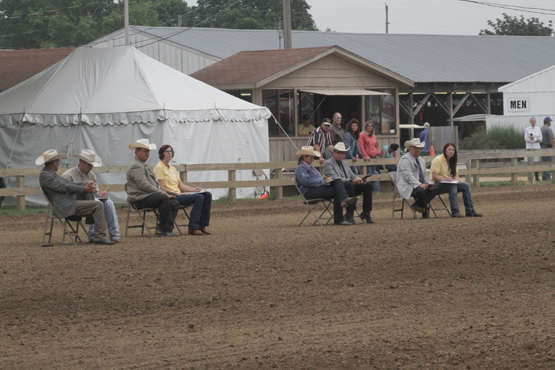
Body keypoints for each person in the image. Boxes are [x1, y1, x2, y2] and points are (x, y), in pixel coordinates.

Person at [37, 149, 115, 245]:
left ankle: (92, 223)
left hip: (67, 202)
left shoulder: (50, 174)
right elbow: (64, 187)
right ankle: (100, 236)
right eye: (58, 162)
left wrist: (84, 186)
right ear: (54, 163)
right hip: (64, 206)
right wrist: (84, 188)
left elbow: (68, 184)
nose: (59, 164)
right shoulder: (46, 175)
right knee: (98, 205)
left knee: (87, 184)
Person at [61, 149, 121, 243]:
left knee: (109, 203)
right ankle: (94, 235)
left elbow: (95, 193)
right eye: (89, 165)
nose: (91, 167)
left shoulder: (92, 175)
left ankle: (115, 235)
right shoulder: (68, 176)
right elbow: (65, 195)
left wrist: (100, 194)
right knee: (96, 203)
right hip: (75, 203)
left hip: (88, 200)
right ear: (81, 162)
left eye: (92, 165)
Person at [154, 144, 212, 236]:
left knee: (207, 195)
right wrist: (176, 193)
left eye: (171, 151)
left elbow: (181, 185)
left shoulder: (172, 168)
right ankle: (193, 227)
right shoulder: (159, 167)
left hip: (179, 194)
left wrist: (195, 190)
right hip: (172, 196)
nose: (169, 153)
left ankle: (202, 225)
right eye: (167, 151)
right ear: (162, 154)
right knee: (199, 198)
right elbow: (160, 186)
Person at [126, 139, 179, 237]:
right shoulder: (135, 166)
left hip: (147, 196)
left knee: (174, 202)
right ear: (137, 151)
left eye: (148, 151)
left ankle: (163, 227)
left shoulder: (145, 165)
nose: (147, 153)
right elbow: (143, 185)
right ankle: (165, 229)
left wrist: (164, 193)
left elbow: (155, 184)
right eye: (145, 151)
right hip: (139, 199)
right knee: (164, 198)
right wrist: (162, 193)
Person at [295, 146, 357, 226]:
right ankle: (343, 203)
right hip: (309, 192)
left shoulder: (310, 167)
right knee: (337, 190)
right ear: (304, 157)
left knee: (337, 182)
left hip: (316, 189)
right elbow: (307, 182)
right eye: (311, 157)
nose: (313, 159)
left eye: (313, 157)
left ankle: (343, 203)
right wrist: (323, 181)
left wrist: (326, 181)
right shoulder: (300, 169)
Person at [324, 142, 375, 224]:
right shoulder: (328, 164)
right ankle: (349, 213)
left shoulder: (346, 163)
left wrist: (360, 180)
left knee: (367, 185)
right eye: (338, 152)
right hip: (339, 189)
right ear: (333, 153)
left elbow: (352, 175)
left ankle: (366, 213)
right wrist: (352, 181)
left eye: (343, 153)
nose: (340, 154)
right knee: (350, 185)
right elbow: (335, 179)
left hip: (349, 186)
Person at [431, 143, 482, 218]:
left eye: (453, 150)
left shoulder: (453, 161)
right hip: (437, 184)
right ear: (445, 150)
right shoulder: (438, 160)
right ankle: (455, 211)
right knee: (452, 187)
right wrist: (446, 179)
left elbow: (455, 174)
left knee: (466, 185)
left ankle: (470, 211)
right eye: (449, 149)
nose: (451, 151)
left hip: (449, 183)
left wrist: (455, 180)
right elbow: (434, 175)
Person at [396, 138, 439, 219]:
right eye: (415, 148)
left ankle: (418, 205)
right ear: (410, 148)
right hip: (407, 185)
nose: (418, 150)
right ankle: (424, 209)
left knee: (435, 188)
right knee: (421, 191)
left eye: (419, 148)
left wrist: (429, 184)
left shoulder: (421, 160)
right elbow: (408, 176)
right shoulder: (405, 159)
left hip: (418, 184)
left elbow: (425, 175)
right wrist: (420, 184)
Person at [358, 120, 381, 193]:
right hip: (367, 157)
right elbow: (361, 146)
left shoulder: (374, 136)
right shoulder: (362, 135)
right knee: (369, 174)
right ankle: (369, 190)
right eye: (368, 126)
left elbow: (376, 146)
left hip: (374, 157)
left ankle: (376, 191)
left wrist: (377, 152)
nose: (370, 127)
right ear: (366, 127)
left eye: (371, 126)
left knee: (374, 173)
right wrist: (365, 155)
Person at [525, 117, 542, 182]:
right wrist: (536, 139)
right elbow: (526, 139)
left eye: (534, 121)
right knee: (530, 162)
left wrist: (534, 139)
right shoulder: (527, 129)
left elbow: (541, 139)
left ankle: (537, 177)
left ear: (536, 122)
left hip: (536, 147)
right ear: (530, 122)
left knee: (536, 162)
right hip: (529, 147)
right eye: (532, 121)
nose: (533, 122)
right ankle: (530, 177)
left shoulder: (538, 129)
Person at [540, 117, 554, 181]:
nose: (550, 123)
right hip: (547, 146)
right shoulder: (548, 129)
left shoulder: (541, 128)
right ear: (548, 122)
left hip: (541, 146)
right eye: (550, 121)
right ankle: (547, 176)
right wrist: (552, 146)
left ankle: (544, 176)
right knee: (548, 162)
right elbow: (551, 138)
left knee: (544, 161)